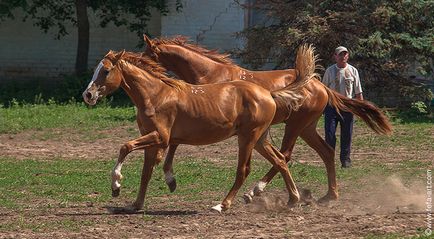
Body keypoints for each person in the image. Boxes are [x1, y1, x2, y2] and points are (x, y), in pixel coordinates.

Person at [322, 46, 363, 168]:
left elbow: (358, 92)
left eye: (345, 54)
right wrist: (322, 108)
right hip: (331, 107)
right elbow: (323, 90)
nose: (343, 56)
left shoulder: (353, 71)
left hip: (347, 107)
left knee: (347, 135)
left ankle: (345, 160)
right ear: (335, 56)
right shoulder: (329, 71)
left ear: (348, 56)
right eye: (340, 54)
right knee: (329, 134)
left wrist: (360, 108)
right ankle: (329, 159)